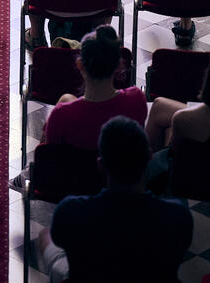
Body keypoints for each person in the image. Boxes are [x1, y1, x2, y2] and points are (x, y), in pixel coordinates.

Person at [40, 116, 193, 283]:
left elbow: (60, 238)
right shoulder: (178, 217)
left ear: (100, 165)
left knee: (45, 235)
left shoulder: (70, 212)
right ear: (149, 158)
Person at [43, 26, 147, 150]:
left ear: (80, 65)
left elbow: (48, 155)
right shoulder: (136, 99)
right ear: (119, 65)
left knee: (66, 98)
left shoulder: (62, 114)